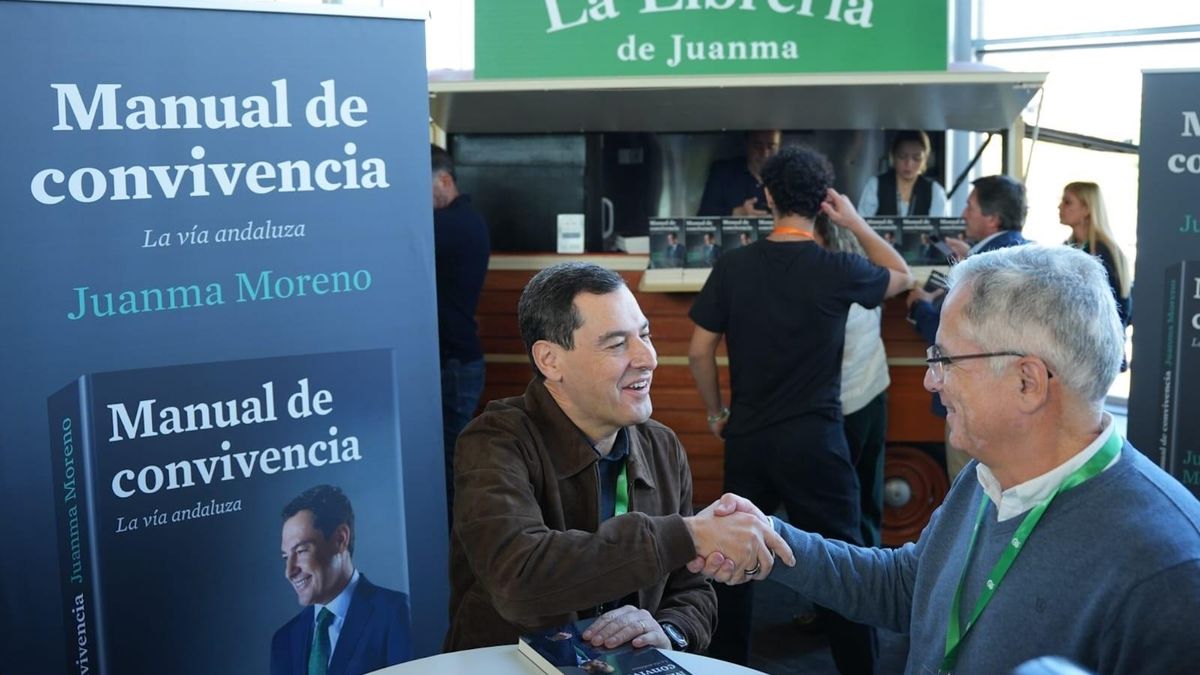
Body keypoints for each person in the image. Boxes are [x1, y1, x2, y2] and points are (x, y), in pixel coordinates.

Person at [693, 244, 1200, 674]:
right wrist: (771, 539)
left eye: (945, 359)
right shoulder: (987, 475)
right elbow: (910, 586)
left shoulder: (1168, 568)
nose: (930, 379)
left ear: (1027, 381)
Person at [445, 262, 792, 654]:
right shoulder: (493, 442)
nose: (648, 358)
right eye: (616, 344)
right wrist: (689, 534)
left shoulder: (662, 446)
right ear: (550, 361)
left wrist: (669, 631)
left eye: (645, 335)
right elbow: (519, 579)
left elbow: (691, 589)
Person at [687, 146, 913, 673]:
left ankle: (728, 668)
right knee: (845, 569)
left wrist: (716, 414)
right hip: (816, 443)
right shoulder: (836, 268)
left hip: (749, 437)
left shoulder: (734, 265)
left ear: (766, 196)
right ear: (822, 203)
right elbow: (899, 273)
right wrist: (853, 220)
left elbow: (699, 350)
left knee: (732, 564)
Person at [907, 174, 1029, 480]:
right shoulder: (1023, 255)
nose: (963, 214)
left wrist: (920, 306)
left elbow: (954, 338)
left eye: (970, 207)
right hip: (1012, 402)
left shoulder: (984, 268)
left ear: (992, 218)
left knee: (969, 489)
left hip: (972, 403)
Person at [272, 485, 411, 675]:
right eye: (286, 557)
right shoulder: (284, 640)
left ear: (340, 539)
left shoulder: (397, 613)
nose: (289, 571)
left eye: (301, 551)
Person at [814, 219, 890, 548]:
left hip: (842, 406)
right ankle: (872, 565)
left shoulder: (828, 287)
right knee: (867, 496)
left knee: (838, 504)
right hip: (874, 394)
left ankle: (849, 583)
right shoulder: (865, 277)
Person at [431, 144, 491, 526]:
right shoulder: (464, 220)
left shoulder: (450, 226)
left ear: (445, 180)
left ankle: (457, 561)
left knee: (448, 471)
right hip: (459, 360)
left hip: (455, 363)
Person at [1059, 181, 1132, 332]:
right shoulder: (1067, 247)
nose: (1060, 207)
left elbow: (1119, 309)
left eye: (1067, 202)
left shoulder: (1103, 251)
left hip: (1099, 342)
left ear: (1086, 209)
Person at [856, 130, 949, 217]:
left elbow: (940, 230)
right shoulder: (875, 185)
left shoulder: (935, 191)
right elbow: (861, 223)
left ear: (925, 159)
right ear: (893, 156)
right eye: (902, 156)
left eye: (916, 158)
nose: (909, 163)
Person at [698, 130, 782, 216]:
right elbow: (702, 216)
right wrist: (736, 213)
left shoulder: (787, 177)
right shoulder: (724, 172)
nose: (765, 153)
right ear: (747, 145)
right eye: (757, 146)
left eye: (771, 147)